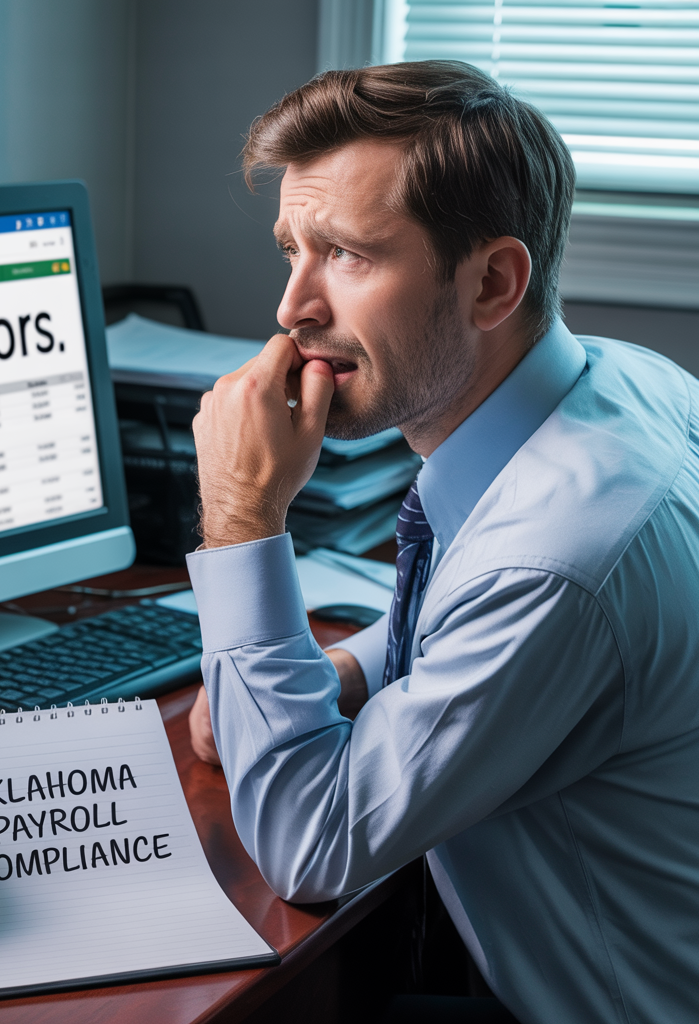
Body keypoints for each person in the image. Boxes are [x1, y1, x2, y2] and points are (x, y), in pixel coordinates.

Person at [186, 60, 699, 1024]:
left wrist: (243, 519)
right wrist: (340, 671)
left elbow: (310, 846)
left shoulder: (556, 563)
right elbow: (483, 616)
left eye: (347, 254)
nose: (293, 308)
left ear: (494, 282)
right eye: (291, 250)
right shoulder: (623, 384)